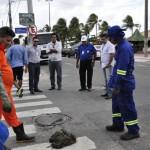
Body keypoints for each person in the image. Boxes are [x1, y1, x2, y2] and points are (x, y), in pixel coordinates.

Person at [0, 26, 35, 143]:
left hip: (6, 91)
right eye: (8, 40)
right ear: (0, 37)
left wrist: (13, 82)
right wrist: (4, 97)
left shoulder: (2, 51)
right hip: (1, 93)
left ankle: (20, 135)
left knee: (11, 114)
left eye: (10, 41)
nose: (9, 44)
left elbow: (5, 70)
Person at [106, 25, 140, 140]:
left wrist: (117, 85)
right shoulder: (120, 46)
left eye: (110, 37)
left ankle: (133, 130)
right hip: (118, 81)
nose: (109, 40)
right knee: (116, 105)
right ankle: (118, 124)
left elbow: (122, 70)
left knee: (127, 107)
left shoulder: (124, 48)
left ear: (116, 37)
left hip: (123, 83)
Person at [100, 34, 115, 99]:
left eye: (103, 39)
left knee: (109, 79)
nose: (102, 40)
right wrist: (101, 61)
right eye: (101, 39)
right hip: (104, 64)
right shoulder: (103, 45)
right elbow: (102, 54)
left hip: (108, 65)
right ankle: (107, 92)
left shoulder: (110, 45)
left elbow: (112, 54)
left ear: (107, 38)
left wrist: (109, 63)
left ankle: (110, 94)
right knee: (105, 79)